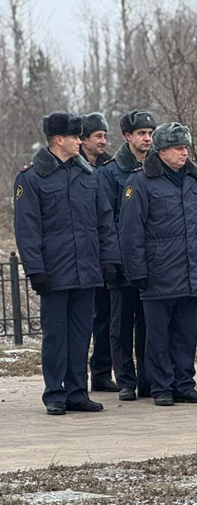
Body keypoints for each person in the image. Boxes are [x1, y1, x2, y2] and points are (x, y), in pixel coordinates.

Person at [15, 112, 120, 415]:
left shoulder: (88, 175)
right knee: (56, 336)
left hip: (86, 270)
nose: (80, 141)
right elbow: (27, 228)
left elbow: (104, 222)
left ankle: (77, 391)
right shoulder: (32, 178)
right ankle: (55, 394)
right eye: (75, 137)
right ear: (59, 139)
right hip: (55, 272)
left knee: (81, 334)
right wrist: (35, 269)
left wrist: (109, 259)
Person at [120, 122, 197, 406]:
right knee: (158, 335)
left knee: (186, 333)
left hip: (192, 272)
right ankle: (161, 386)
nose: (183, 153)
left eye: (186, 147)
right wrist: (137, 270)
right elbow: (131, 231)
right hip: (158, 272)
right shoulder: (140, 182)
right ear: (162, 150)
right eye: (178, 148)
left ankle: (184, 384)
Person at [96, 110, 158, 400]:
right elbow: (106, 220)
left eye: (150, 133)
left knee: (148, 324)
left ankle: (147, 379)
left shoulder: (156, 168)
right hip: (121, 260)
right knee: (120, 324)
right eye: (141, 134)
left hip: (150, 260)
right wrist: (112, 259)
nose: (147, 139)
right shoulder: (110, 172)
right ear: (128, 137)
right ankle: (125, 381)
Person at [77, 112, 118, 393]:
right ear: (83, 140)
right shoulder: (74, 166)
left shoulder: (111, 166)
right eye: (98, 136)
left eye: (105, 136)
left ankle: (102, 372)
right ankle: (76, 377)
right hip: (81, 252)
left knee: (106, 317)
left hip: (105, 249)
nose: (103, 141)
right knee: (80, 321)